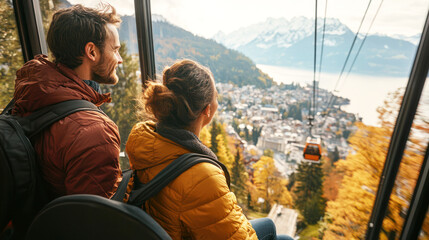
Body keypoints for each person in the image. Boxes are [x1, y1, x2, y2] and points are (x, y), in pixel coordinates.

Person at [126, 59, 293, 240]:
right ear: (207, 110)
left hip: (167, 227)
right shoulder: (202, 176)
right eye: (216, 97)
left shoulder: (145, 141)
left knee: (268, 225)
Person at [12, 4, 123, 199]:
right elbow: (93, 222)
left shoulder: (30, 93)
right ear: (92, 52)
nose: (120, 59)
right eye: (115, 50)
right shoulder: (96, 132)